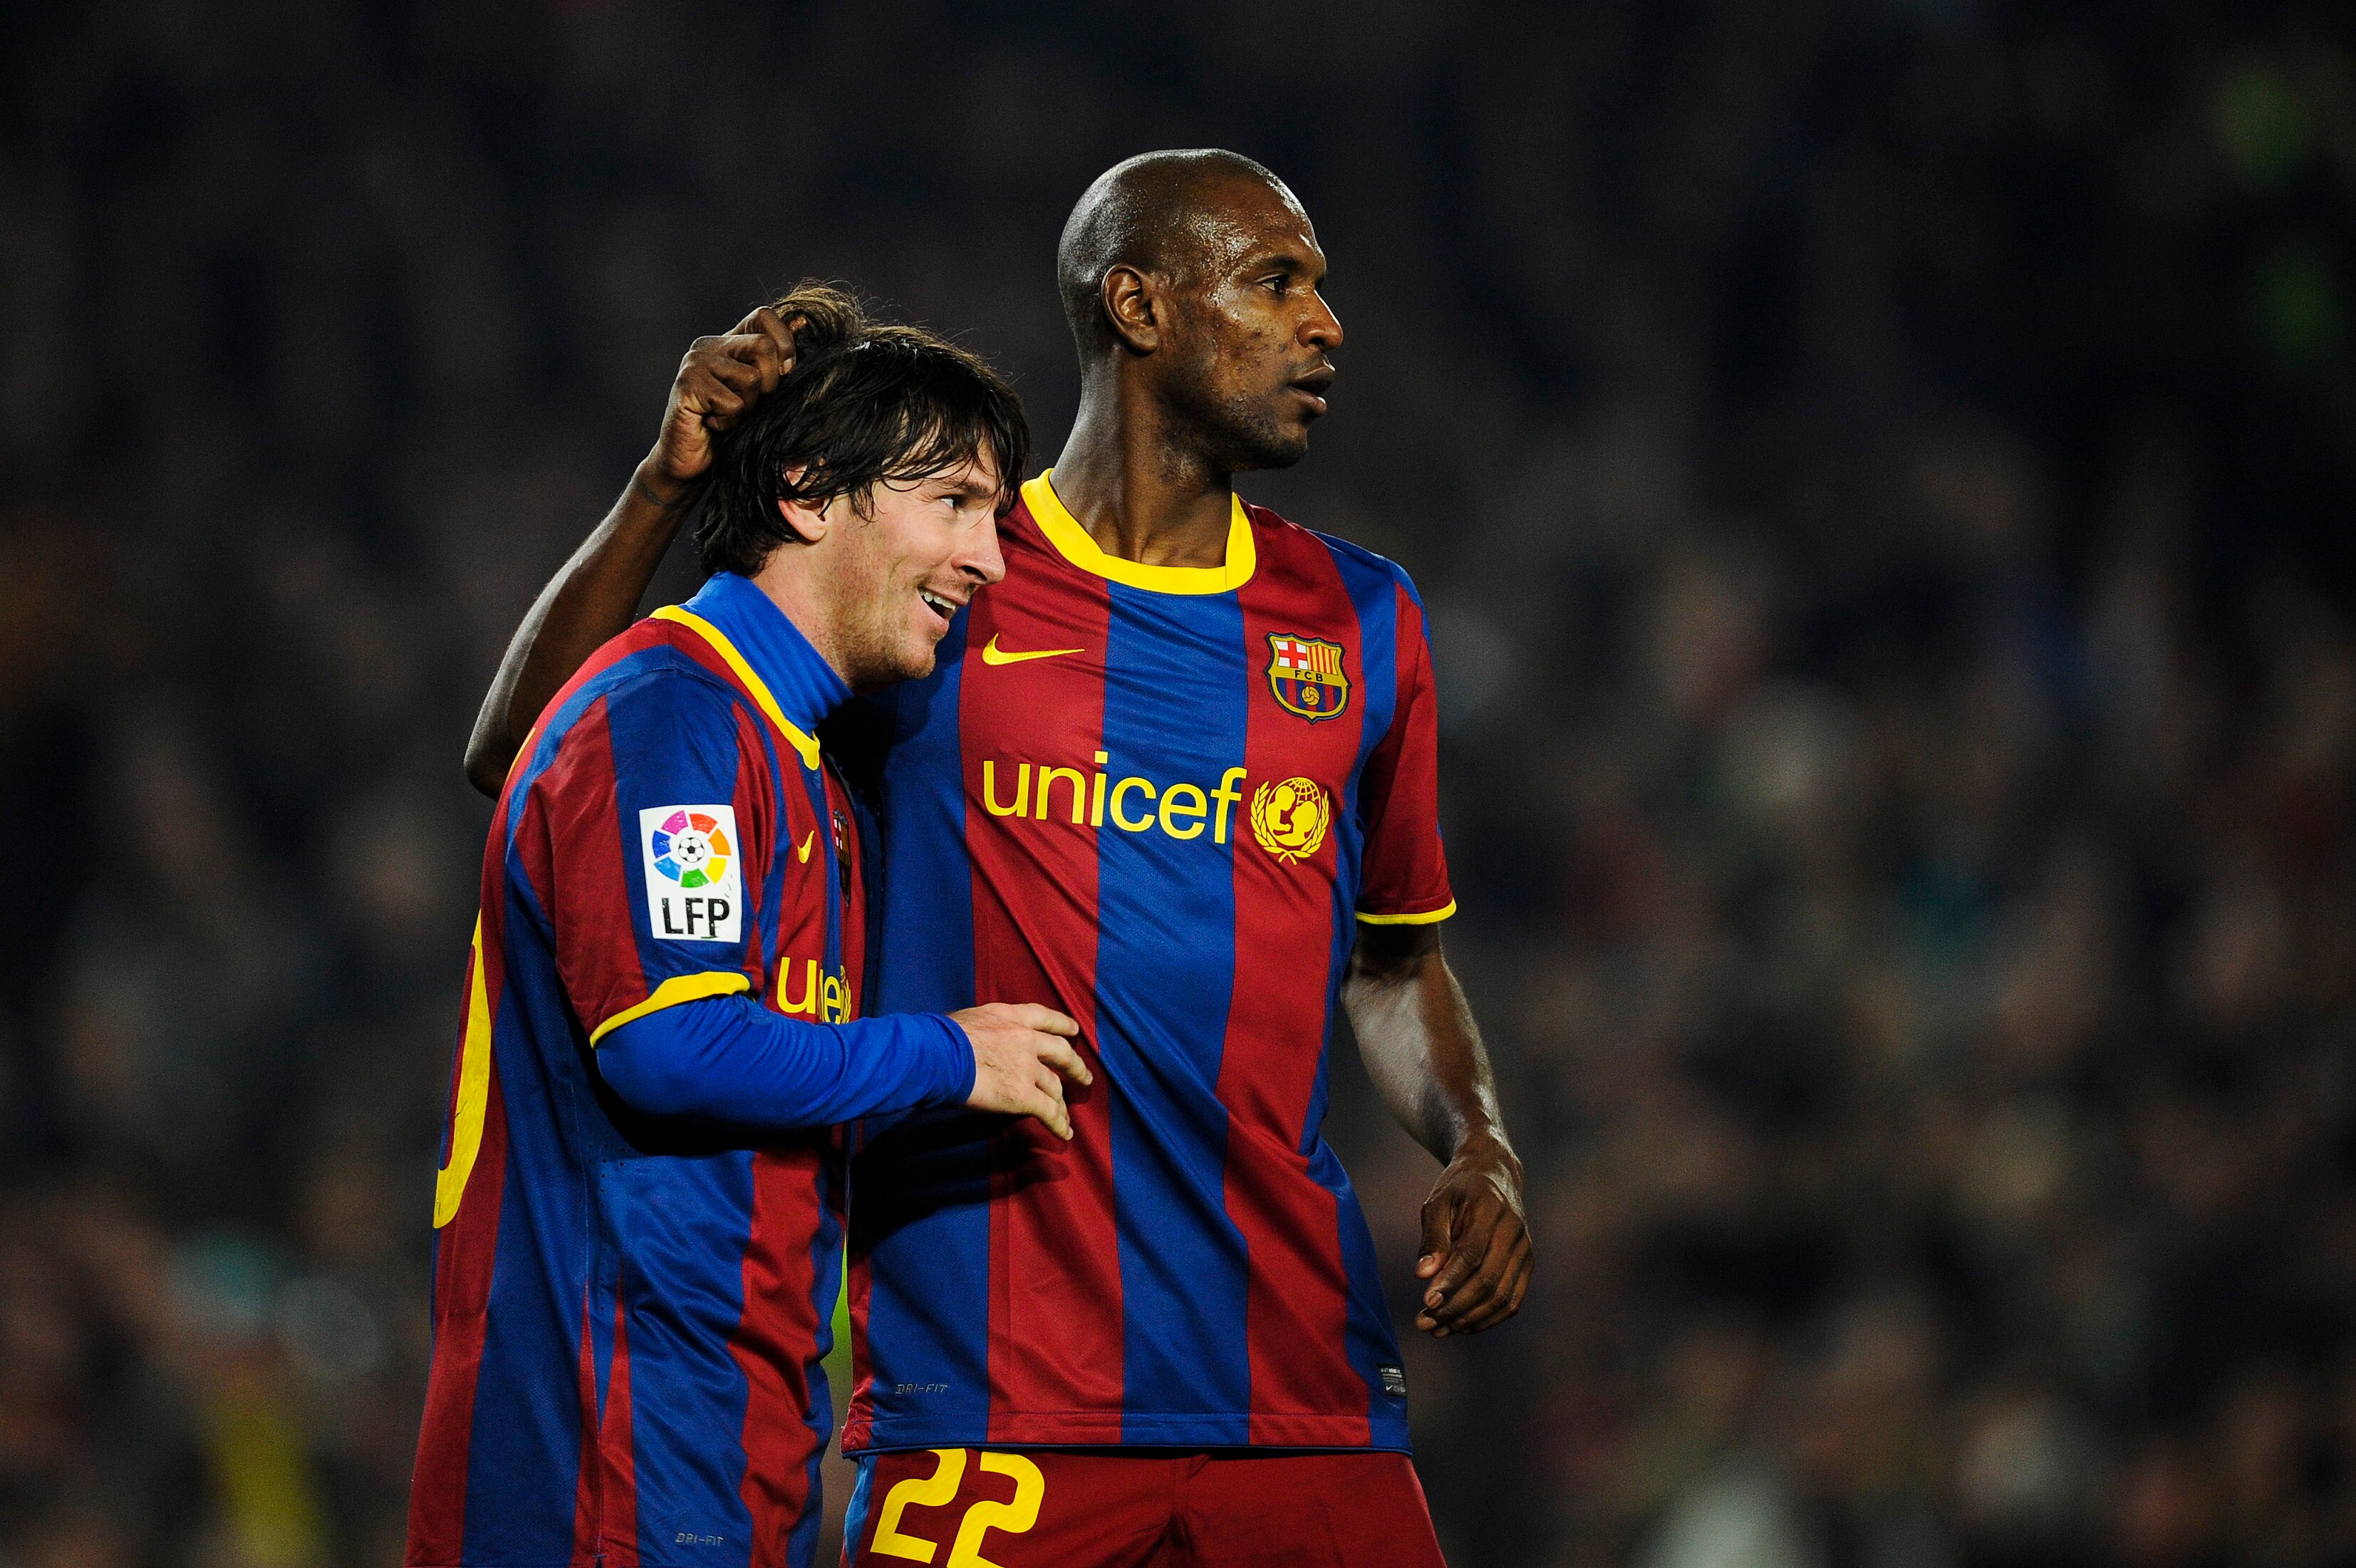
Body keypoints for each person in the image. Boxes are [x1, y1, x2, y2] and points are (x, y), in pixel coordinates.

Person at [467, 152, 1532, 1567]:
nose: (1325, 324)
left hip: (1300, 1392)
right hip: (988, 1399)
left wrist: (1481, 1146)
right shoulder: (935, 570)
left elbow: (1393, 960)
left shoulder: (1359, 619)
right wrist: (662, 492)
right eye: (1279, 282)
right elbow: (555, 749)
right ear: (1139, 308)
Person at [410, 286, 1092, 1568]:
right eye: (952, 502)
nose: (988, 558)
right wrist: (955, 1056)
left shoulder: (808, 759)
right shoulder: (674, 719)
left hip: (723, 1426)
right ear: (807, 492)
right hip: (603, 1429)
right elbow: (672, 1046)